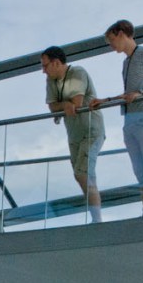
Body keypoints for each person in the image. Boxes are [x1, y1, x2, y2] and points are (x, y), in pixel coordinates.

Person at [92, 20, 143, 216]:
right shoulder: (126, 62)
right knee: (139, 168)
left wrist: (142, 93)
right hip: (131, 119)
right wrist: (106, 100)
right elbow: (130, 93)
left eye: (111, 40)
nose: (111, 45)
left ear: (121, 34)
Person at [40, 45, 106, 222]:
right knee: (85, 176)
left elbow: (76, 102)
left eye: (45, 66)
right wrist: (64, 105)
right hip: (74, 135)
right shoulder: (51, 81)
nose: (43, 71)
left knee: (82, 173)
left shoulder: (77, 72)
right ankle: (96, 217)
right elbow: (53, 107)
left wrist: (64, 105)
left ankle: (97, 220)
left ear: (56, 63)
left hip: (91, 131)